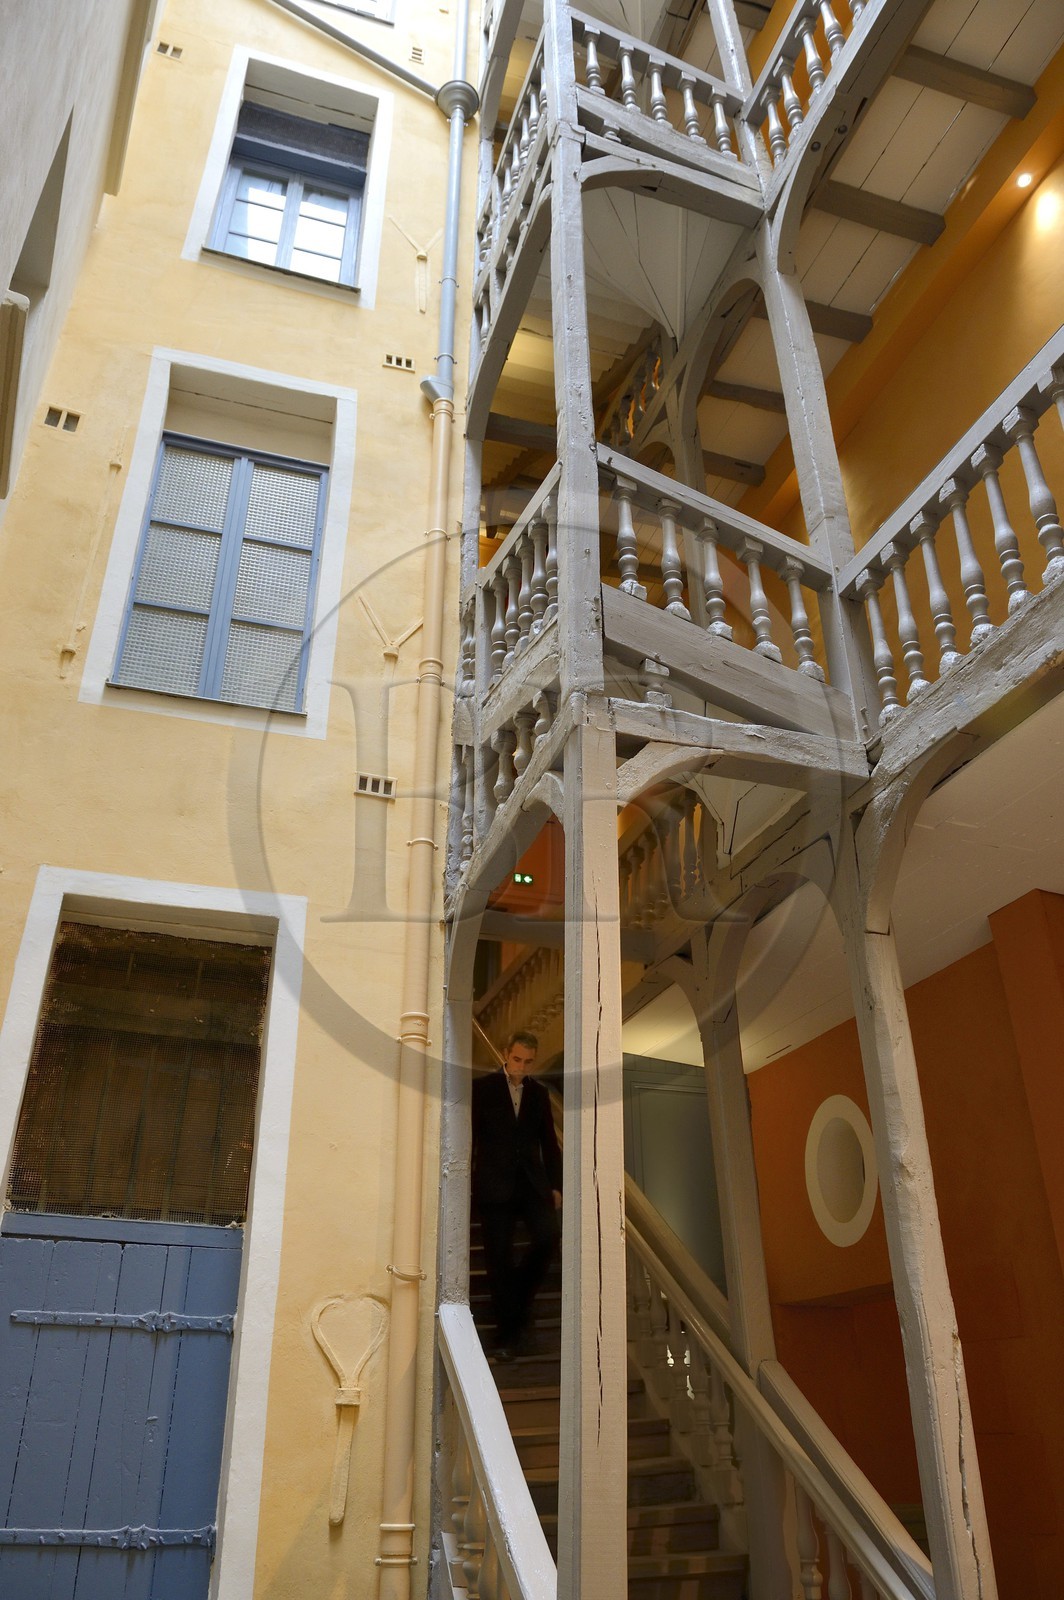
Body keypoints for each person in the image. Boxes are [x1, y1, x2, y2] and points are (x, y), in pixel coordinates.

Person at [471, 1030, 562, 1361]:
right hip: (493, 1185)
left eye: (528, 1062)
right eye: (517, 1059)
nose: (521, 1067)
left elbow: (549, 1141)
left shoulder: (538, 1093)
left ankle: (519, 1299)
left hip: (531, 1184)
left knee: (548, 1237)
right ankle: (508, 1336)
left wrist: (555, 1185)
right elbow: (471, 1136)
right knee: (498, 1260)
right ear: (505, 1054)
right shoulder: (482, 1089)